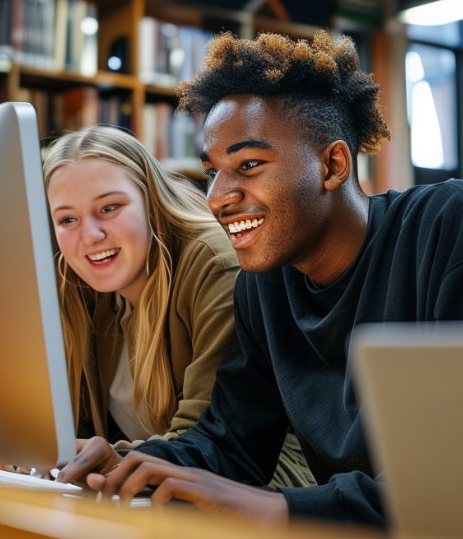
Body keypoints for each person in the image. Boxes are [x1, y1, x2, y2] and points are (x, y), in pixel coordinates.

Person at [55, 32, 463, 527]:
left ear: (332, 164)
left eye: (248, 165)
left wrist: (280, 508)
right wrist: (131, 466)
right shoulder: (266, 282)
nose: (218, 197)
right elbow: (229, 443)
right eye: (213, 172)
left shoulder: (450, 226)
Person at [43, 125, 313, 489]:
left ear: (150, 200)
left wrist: (103, 460)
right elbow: (79, 431)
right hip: (155, 490)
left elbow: (212, 447)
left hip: (259, 487)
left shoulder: (216, 263)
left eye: (109, 207)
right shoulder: (78, 284)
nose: (90, 236)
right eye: (67, 220)